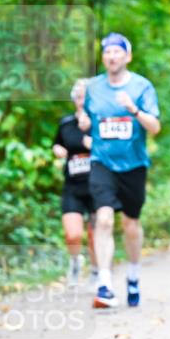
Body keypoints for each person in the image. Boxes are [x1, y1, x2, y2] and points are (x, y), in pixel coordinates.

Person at [79, 33, 160, 308]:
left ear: (128, 56)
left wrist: (133, 109)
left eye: (117, 51)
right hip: (102, 162)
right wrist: (81, 116)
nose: (112, 56)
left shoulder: (142, 87)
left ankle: (134, 275)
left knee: (131, 224)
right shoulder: (93, 87)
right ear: (103, 57)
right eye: (107, 52)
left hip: (134, 165)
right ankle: (105, 285)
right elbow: (87, 121)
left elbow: (155, 127)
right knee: (102, 220)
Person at [53, 78, 98, 287]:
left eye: (88, 98)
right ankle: (74, 262)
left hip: (98, 186)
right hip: (73, 185)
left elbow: (115, 149)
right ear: (74, 99)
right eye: (80, 97)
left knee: (95, 234)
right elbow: (57, 144)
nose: (83, 101)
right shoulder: (66, 124)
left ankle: (97, 271)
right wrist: (58, 151)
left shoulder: (100, 123)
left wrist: (95, 145)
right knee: (73, 234)